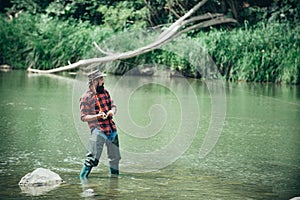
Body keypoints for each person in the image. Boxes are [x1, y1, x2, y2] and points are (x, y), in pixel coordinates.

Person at [79, 69, 121, 179]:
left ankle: (114, 181)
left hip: (111, 129)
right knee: (91, 159)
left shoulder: (105, 92)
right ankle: (82, 181)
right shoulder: (85, 97)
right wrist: (97, 116)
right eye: (101, 79)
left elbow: (113, 106)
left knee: (115, 158)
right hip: (98, 131)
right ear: (94, 81)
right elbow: (83, 117)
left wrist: (111, 111)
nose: (103, 81)